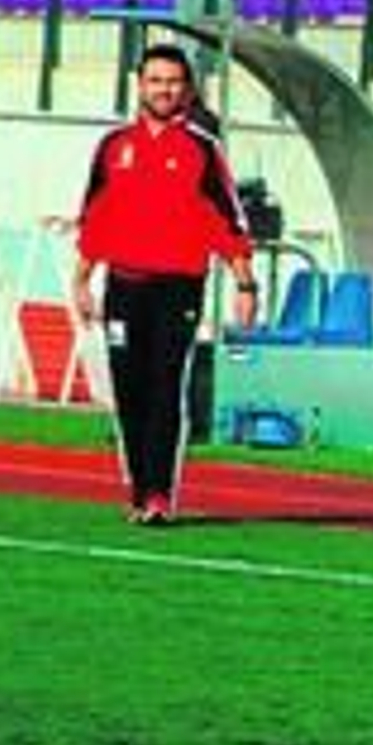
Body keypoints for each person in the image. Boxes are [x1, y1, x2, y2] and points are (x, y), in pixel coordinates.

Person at [73, 43, 258, 526]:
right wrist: (81, 280)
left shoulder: (201, 149)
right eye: (155, 80)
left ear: (188, 90)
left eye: (173, 82)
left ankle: (158, 494)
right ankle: (137, 492)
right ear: (139, 84)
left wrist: (245, 285)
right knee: (128, 391)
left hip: (178, 287)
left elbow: (227, 220)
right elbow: (96, 217)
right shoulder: (114, 147)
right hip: (123, 285)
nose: (164, 89)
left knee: (164, 387)